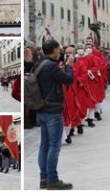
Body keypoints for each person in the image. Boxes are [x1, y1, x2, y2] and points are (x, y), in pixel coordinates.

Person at [34, 39, 74, 190]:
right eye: (59, 49)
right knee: (54, 146)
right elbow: (69, 80)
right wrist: (69, 66)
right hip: (53, 111)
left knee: (44, 145)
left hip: (41, 110)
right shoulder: (51, 66)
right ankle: (52, 179)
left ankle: (43, 178)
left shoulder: (39, 64)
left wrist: (61, 69)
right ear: (55, 50)